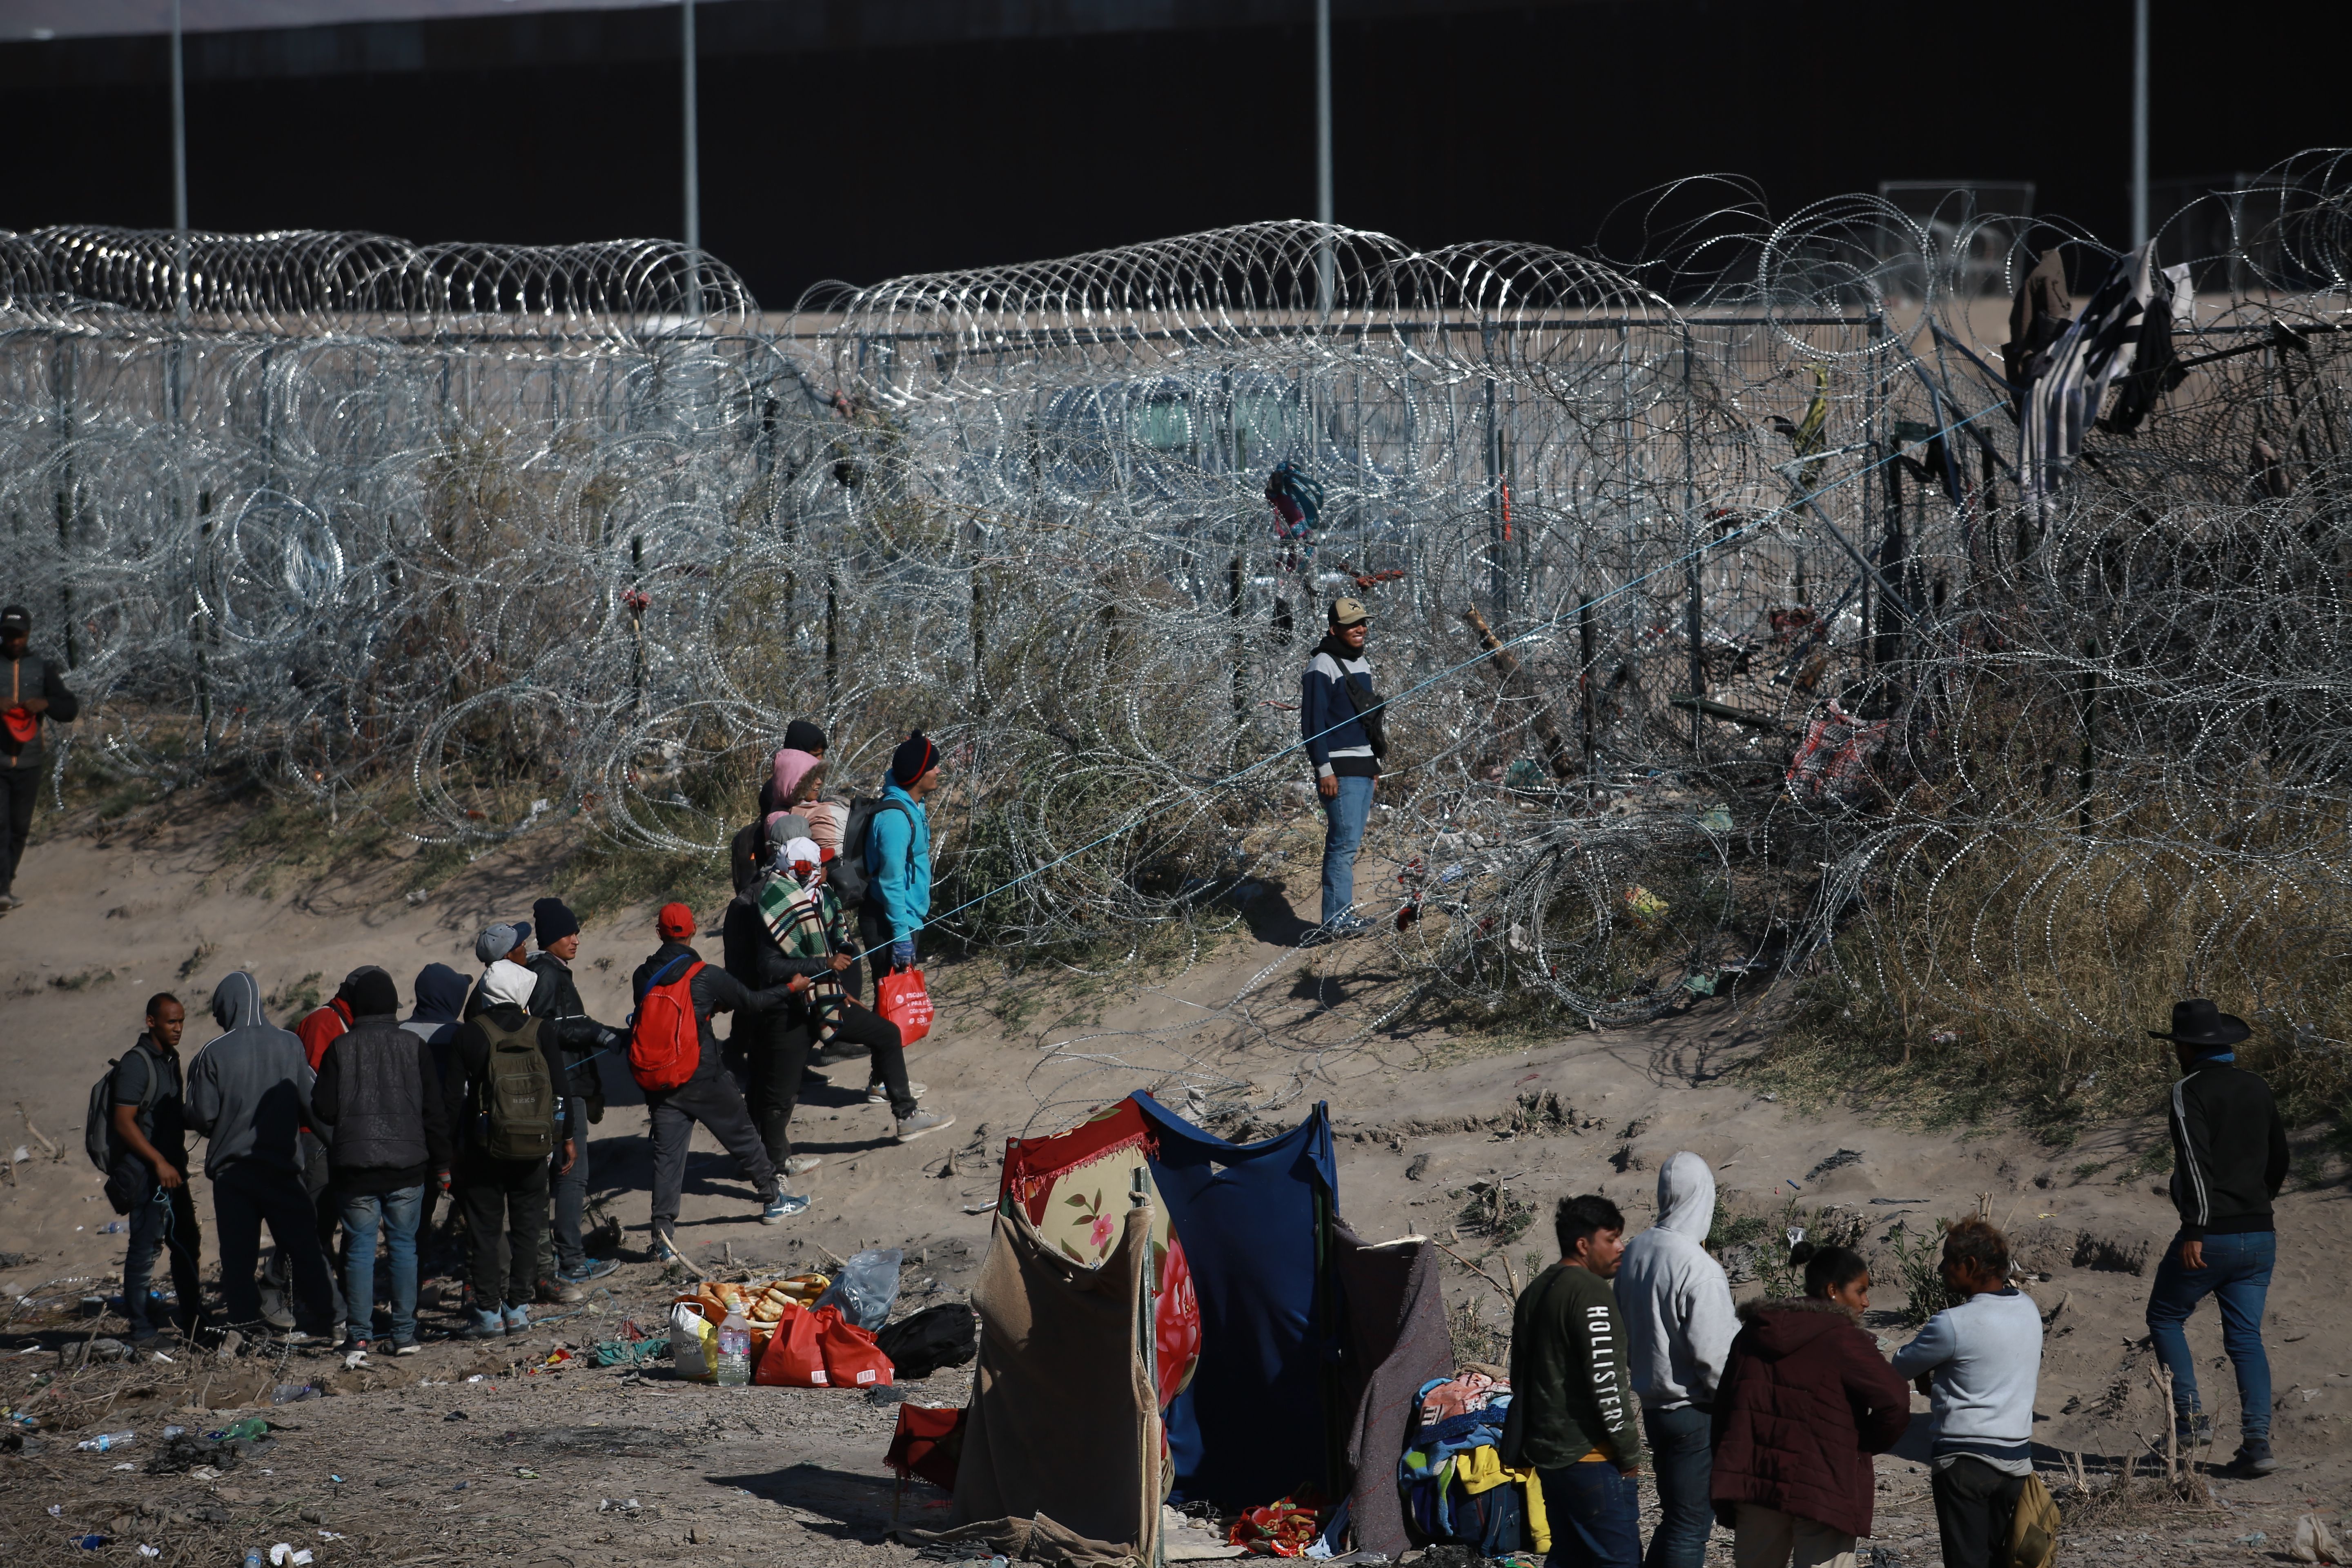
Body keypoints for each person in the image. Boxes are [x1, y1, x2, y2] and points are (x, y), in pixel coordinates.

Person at [726, 835, 949, 1167]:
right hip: (790, 1013)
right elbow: (770, 967)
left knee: (886, 1035)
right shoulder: (774, 905)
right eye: (820, 865)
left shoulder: (823, 897)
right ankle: (773, 1162)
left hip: (828, 1001)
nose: (828, 870)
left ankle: (907, 1114)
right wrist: (824, 965)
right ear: (802, 870)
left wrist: (839, 962)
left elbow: (837, 940)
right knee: (779, 1098)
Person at [2145, 998, 2289, 1477]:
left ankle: (2189, 1421)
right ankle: (2257, 1443)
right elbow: (2278, 1158)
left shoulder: (2189, 1092)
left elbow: (2194, 1163)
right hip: (2260, 1233)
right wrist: (2259, 1200)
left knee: (2165, 1316)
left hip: (2212, 1236)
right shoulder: (2258, 1087)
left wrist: (2195, 1229)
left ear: (2186, 1048)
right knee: (2246, 1338)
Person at [1710, 1242, 1910, 1568]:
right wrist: (1861, 1446)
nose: (1866, 1302)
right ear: (1833, 1290)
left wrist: (1726, 1476)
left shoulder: (1753, 1332)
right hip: (1823, 1487)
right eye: (1860, 1291)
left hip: (1756, 1480)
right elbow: (1897, 1401)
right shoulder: (1843, 1337)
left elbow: (1724, 1411)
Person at [634, 901, 811, 1258]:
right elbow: (753, 1002)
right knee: (743, 1135)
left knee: (667, 1161)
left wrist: (708, 1009)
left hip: (662, 1081)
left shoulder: (643, 976)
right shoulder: (706, 974)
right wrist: (792, 989)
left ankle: (663, 1240)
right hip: (702, 1075)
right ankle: (774, 1200)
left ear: (659, 934)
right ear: (694, 929)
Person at [183, 971, 339, 1341]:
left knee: (237, 1260)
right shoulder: (289, 1044)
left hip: (234, 1175)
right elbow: (314, 1104)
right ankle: (335, 1319)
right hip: (284, 1169)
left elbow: (200, 1114)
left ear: (226, 1007)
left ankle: (244, 1329)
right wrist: (340, 1143)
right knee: (306, 1251)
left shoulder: (213, 1053)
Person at [310, 968, 453, 1355]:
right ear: (392, 1004)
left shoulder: (341, 1048)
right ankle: (405, 1335)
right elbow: (433, 1113)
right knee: (404, 1248)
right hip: (408, 1166)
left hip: (354, 1169)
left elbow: (321, 1108)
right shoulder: (413, 1046)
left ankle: (359, 1336)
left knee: (358, 1249)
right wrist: (443, 1165)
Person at [1890, 1218, 2042, 1568]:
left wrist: (1928, 1373)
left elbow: (1900, 1367)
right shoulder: (2028, 1309)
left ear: (1971, 1265)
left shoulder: (1952, 1323)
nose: (1943, 1268)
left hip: (1964, 1464)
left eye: (1948, 1260)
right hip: (2017, 1462)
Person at [1508, 1192, 1644, 1568]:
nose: (1621, 1247)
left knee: (1569, 1558)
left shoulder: (1536, 1291)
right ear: (1584, 1245)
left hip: (1550, 1458)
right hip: (1591, 1457)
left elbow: (1520, 1376)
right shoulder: (1591, 1292)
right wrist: (1630, 1453)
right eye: (1611, 1239)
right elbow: (1607, 1382)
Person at [1617, 1152, 1738, 1568]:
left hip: (1653, 1408)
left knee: (1675, 1520)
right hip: (1694, 1411)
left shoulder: (1636, 1250)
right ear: (1704, 1197)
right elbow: (1714, 1357)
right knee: (1690, 1527)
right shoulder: (1698, 1267)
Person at [441, 957, 572, 1338]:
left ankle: (488, 1314)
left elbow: (451, 1102)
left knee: (485, 1231)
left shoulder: (468, 1034)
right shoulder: (540, 1030)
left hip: (483, 1151)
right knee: (528, 1227)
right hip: (534, 1148)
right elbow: (560, 1091)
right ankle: (517, 1309)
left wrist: (449, 1150)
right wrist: (565, 1140)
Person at [526, 895, 628, 1296]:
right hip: (564, 1089)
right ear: (551, 937)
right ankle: (570, 1262)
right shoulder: (547, 974)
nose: (576, 939)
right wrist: (593, 1034)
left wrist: (601, 1032)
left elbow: (569, 1023)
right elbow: (545, 1031)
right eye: (569, 933)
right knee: (573, 1175)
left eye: (577, 932)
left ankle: (560, 1258)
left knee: (566, 1175)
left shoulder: (549, 970)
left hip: (563, 1087)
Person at [109, 993, 203, 1344]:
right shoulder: (138, 1063)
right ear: (151, 1022)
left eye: (181, 1021)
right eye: (171, 1022)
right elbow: (123, 1122)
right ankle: (142, 1330)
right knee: (145, 1250)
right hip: (147, 1175)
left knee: (186, 1243)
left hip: (172, 1172)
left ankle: (195, 1321)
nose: (178, 1028)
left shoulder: (170, 1058)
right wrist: (159, 1161)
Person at [1298, 596, 1383, 942]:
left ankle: (1343, 915)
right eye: (1352, 625)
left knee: (1350, 844)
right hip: (1339, 770)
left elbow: (1367, 723)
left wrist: (1375, 764)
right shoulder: (1322, 665)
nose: (1360, 630)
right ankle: (1336, 921)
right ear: (1335, 629)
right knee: (1342, 845)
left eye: (1363, 623)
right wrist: (1324, 769)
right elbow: (1312, 724)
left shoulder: (1360, 663)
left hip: (1362, 767)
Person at [0, 603, 80, 914]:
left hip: (30, 761)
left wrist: (44, 703)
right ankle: (2, 889)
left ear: (28, 635)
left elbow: (69, 708)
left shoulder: (41, 668)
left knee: (20, 827)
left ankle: (7, 881)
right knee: (1, 824)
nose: (14, 641)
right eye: (8, 635)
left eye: (19, 636)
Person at [399, 963, 471, 1272]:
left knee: (414, 1226)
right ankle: (476, 1287)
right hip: (457, 1144)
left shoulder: (398, 1033)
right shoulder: (462, 1035)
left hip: (409, 1146)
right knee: (478, 1219)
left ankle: (409, 1293)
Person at [861, 731, 942, 995]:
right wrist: (901, 936)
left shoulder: (915, 804)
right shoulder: (895, 820)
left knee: (900, 1002)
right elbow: (891, 880)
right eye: (933, 766)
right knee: (891, 1002)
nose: (939, 771)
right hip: (891, 921)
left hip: (907, 917)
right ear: (919, 775)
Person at [461, 921, 531, 1020]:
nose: (524, 943)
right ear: (508, 956)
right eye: (519, 943)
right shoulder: (497, 996)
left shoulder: (483, 989)